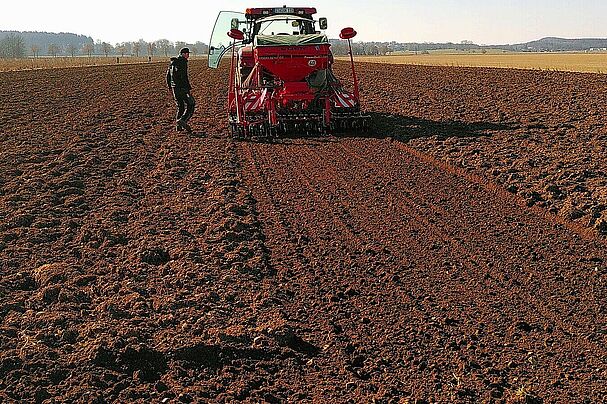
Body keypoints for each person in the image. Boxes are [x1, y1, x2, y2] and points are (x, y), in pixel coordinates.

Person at [166, 47, 195, 133]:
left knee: (181, 106)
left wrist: (170, 87)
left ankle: (178, 127)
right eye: (187, 53)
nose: (188, 55)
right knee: (191, 104)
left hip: (175, 89)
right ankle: (183, 120)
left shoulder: (173, 63)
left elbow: (168, 76)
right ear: (183, 54)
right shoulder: (183, 62)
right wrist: (188, 89)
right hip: (182, 88)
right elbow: (184, 77)